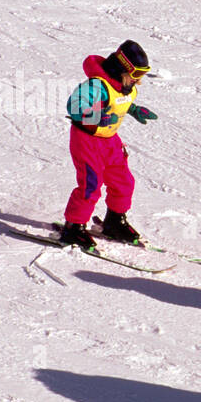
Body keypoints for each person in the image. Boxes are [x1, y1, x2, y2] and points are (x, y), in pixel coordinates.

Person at [59, 40, 158, 249]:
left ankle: (115, 221)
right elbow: (74, 106)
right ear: (122, 68)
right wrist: (96, 117)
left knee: (124, 182)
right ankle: (73, 227)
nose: (138, 81)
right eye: (136, 74)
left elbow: (120, 101)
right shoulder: (97, 86)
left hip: (110, 141)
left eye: (142, 75)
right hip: (87, 141)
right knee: (91, 186)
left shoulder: (123, 86)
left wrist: (134, 110)